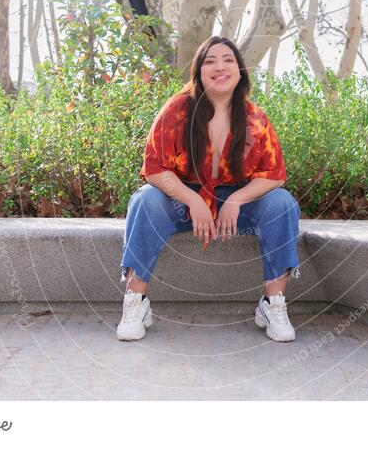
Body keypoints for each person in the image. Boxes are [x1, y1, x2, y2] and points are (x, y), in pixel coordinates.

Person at [117, 35, 301, 342]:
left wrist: (236, 200)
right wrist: (192, 200)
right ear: (199, 71)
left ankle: (273, 304)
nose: (220, 67)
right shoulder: (176, 110)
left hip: (235, 205)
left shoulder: (255, 119)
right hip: (180, 200)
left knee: (281, 203)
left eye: (228, 60)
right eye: (210, 61)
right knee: (145, 201)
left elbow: (275, 175)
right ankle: (136, 302)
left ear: (240, 71)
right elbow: (154, 169)